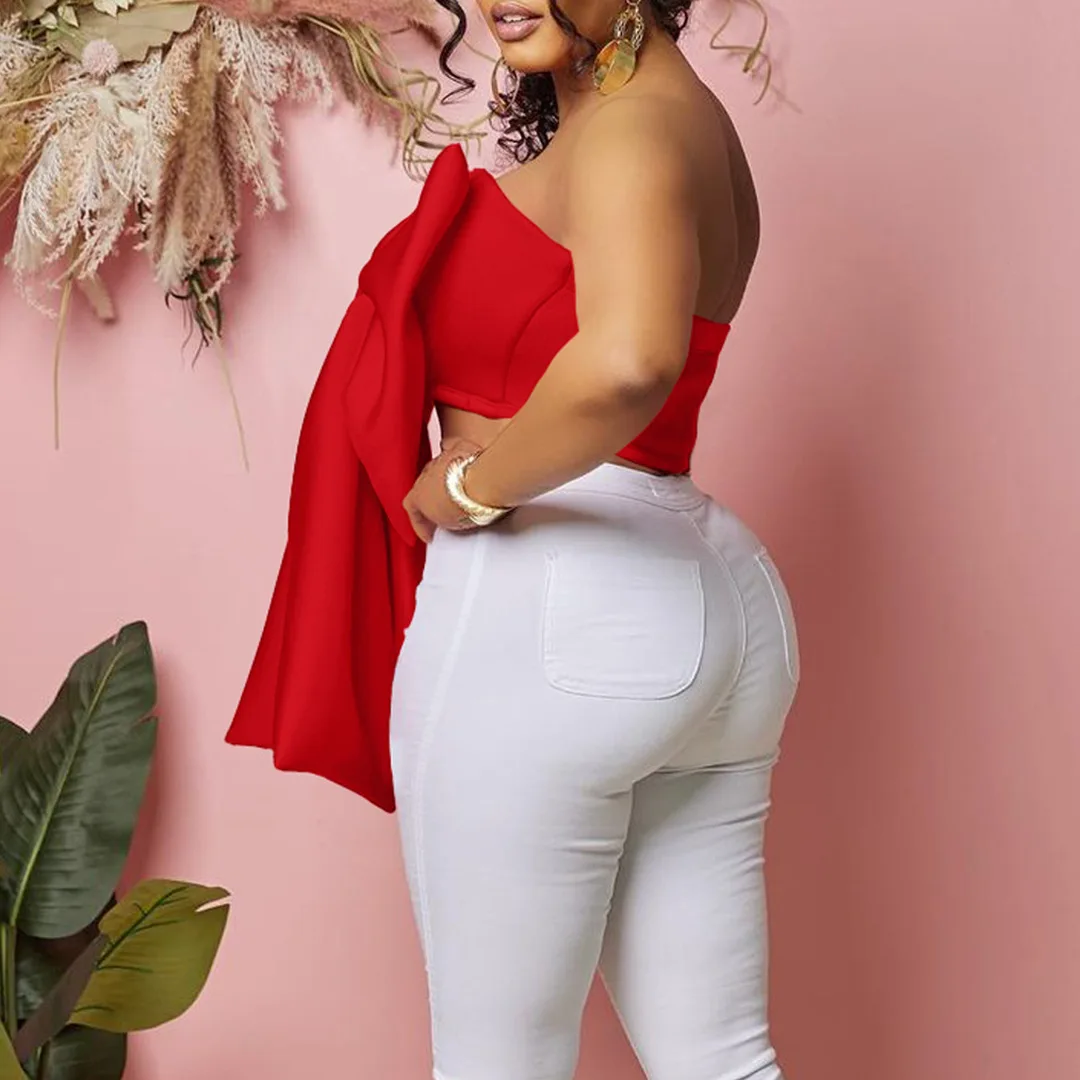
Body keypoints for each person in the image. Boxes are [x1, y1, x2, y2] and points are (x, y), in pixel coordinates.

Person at [226, 0, 800, 1077]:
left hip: (558, 603)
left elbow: (631, 361)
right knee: (721, 1058)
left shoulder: (630, 128)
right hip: (712, 600)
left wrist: (469, 487)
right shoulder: (688, 120)